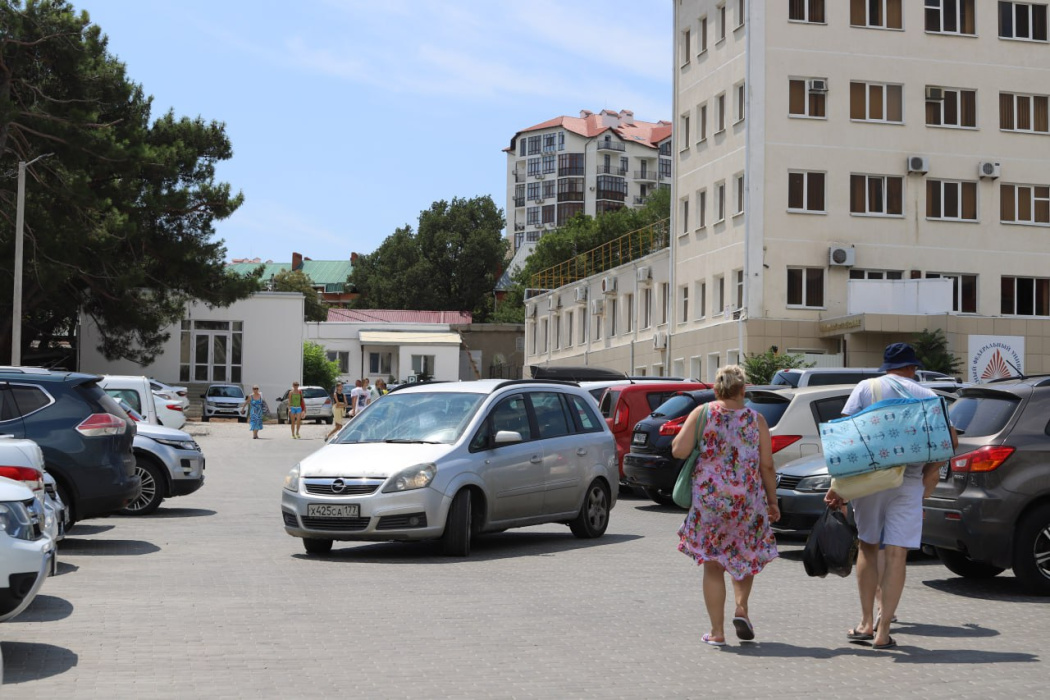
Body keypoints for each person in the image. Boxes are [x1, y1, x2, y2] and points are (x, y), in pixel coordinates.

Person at [825, 342, 958, 650]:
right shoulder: (926, 395)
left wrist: (839, 485)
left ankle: (866, 622)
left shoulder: (866, 387)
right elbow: (950, 441)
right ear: (912, 368)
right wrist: (928, 471)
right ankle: (884, 632)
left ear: (887, 367)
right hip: (908, 480)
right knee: (898, 554)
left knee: (869, 548)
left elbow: (846, 437)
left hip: (869, 481)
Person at [671, 364, 780, 647]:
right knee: (744, 555)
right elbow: (767, 465)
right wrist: (772, 501)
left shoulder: (703, 413)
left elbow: (679, 450)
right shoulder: (757, 420)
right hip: (747, 501)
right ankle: (741, 608)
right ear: (743, 389)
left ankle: (717, 632)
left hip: (710, 501)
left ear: (716, 389)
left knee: (713, 564)